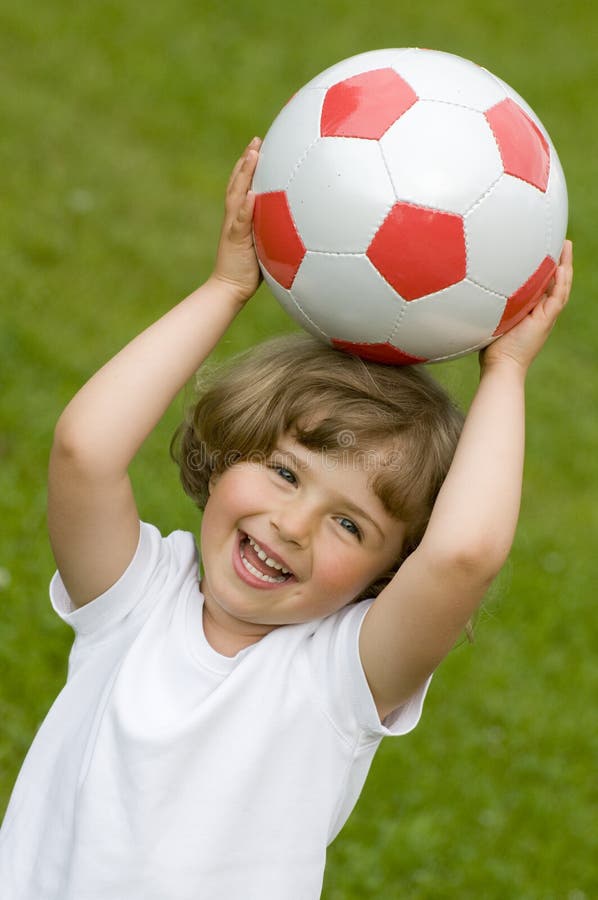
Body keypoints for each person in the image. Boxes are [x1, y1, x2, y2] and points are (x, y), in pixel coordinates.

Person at [0, 137, 573, 900]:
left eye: (351, 526)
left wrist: (506, 371)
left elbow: (463, 555)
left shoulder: (339, 680)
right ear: (230, 453)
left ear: (388, 573)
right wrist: (225, 287)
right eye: (282, 472)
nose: (293, 525)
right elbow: (84, 451)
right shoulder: (134, 602)